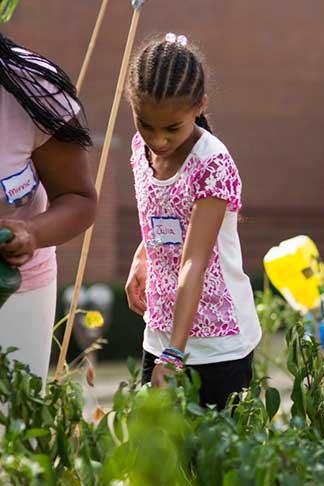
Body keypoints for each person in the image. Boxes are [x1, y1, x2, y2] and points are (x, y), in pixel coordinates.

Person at [123, 34, 261, 409]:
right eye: (145, 125)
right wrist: (143, 257)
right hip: (162, 333)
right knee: (158, 462)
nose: (158, 140)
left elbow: (193, 262)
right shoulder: (142, 150)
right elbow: (162, 217)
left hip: (217, 347)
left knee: (214, 464)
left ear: (200, 105)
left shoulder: (212, 165)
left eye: (172, 128)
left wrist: (173, 356)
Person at [0, 32, 97, 382]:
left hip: (14, 291)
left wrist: (31, 232)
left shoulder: (31, 89)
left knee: (13, 425)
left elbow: (78, 199)